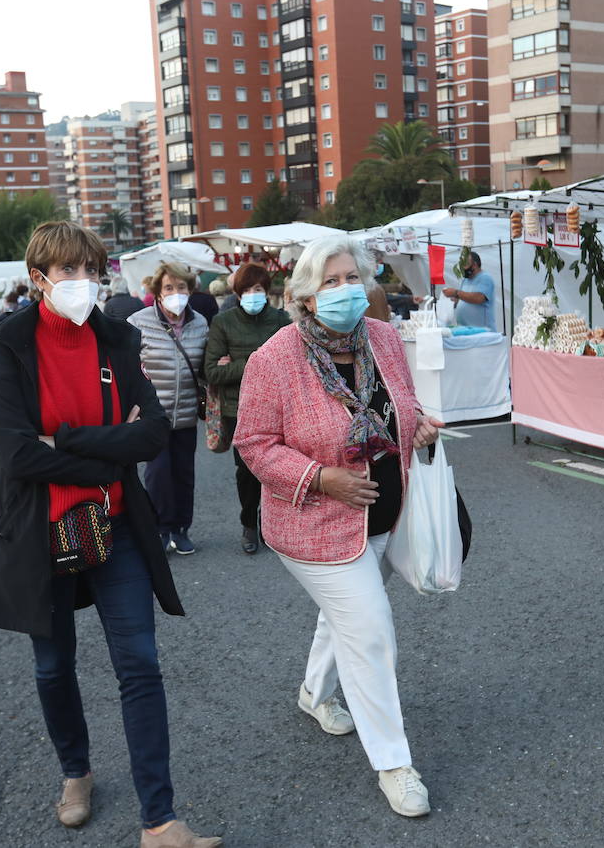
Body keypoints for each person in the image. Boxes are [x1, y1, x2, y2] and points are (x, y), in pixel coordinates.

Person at [0, 221, 222, 848]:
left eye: (92, 270)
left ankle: (159, 820)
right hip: (40, 528)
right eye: (69, 272)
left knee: (139, 663)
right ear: (38, 281)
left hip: (113, 519)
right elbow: (18, 456)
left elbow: (154, 431)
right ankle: (75, 771)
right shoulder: (10, 346)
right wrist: (109, 449)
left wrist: (69, 441)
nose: (84, 283)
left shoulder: (115, 337)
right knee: (54, 665)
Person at [233, 235, 444, 819]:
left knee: (345, 613)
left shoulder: (381, 336)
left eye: (353, 277)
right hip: (312, 525)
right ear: (303, 294)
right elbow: (252, 444)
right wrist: (322, 477)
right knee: (370, 628)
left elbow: (400, 404)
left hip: (381, 510)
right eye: (330, 282)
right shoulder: (273, 359)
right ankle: (394, 762)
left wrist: (420, 425)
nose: (346, 290)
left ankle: (313, 694)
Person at [203, 263, 289, 555]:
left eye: (259, 289)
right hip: (238, 410)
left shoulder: (281, 320)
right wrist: (257, 361)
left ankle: (272, 523)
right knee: (246, 472)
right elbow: (212, 372)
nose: (254, 294)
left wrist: (239, 363)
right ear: (237, 293)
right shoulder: (223, 322)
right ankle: (249, 523)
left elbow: (293, 363)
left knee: (278, 470)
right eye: (248, 290)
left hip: (279, 408)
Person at [129, 263, 207, 556]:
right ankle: (160, 528)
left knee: (184, 475)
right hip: (154, 416)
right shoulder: (138, 321)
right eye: (169, 288)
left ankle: (181, 529)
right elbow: (125, 363)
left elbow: (204, 366)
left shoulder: (200, 323)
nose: (176, 293)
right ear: (158, 294)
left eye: (181, 287)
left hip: (186, 413)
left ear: (190, 289)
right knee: (158, 475)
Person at [442, 251, 496, 329]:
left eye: (465, 264)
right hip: (466, 329)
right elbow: (460, 299)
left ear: (474, 265)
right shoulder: (465, 280)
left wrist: (456, 293)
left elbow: (478, 298)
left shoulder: (485, 278)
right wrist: (445, 300)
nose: (462, 267)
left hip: (483, 332)